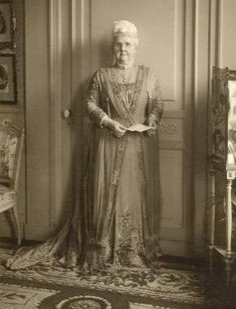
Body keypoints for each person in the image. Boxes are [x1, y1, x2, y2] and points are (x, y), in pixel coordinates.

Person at [7, 20, 164, 271]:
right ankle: (101, 252)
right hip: (107, 144)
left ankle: (132, 251)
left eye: (127, 45)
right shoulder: (101, 75)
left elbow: (156, 103)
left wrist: (153, 118)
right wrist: (108, 121)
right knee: (102, 197)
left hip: (138, 145)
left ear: (136, 47)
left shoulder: (148, 75)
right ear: (112, 48)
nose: (122, 50)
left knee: (134, 196)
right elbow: (90, 105)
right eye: (118, 45)